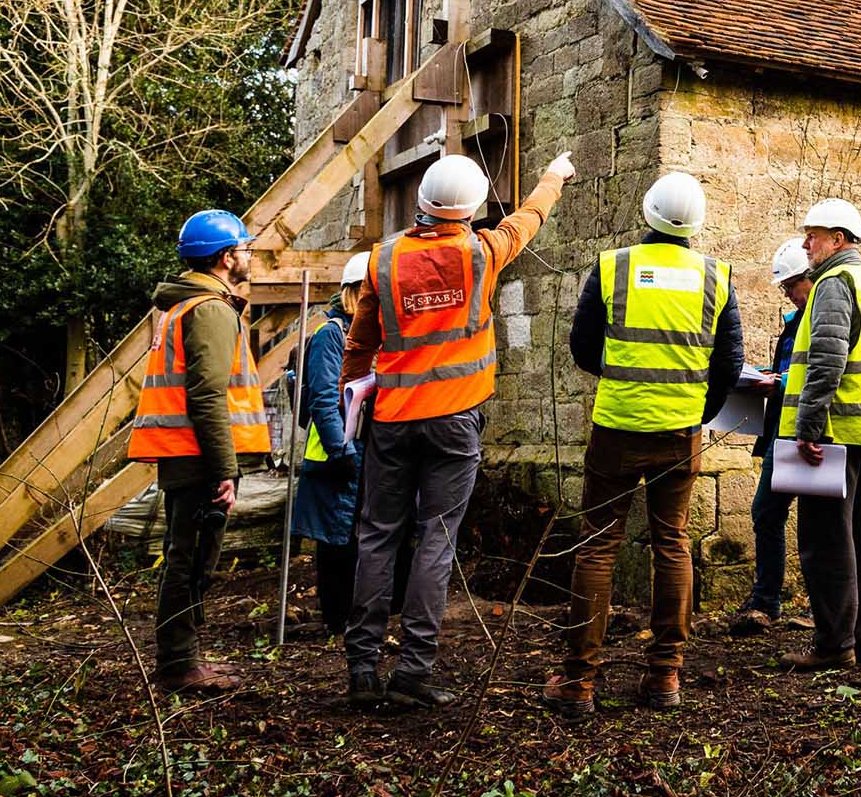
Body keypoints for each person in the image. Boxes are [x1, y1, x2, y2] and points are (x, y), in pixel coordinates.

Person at [341, 149, 575, 710]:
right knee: (436, 542)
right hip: (454, 422)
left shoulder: (383, 259)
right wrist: (553, 177)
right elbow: (529, 218)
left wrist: (353, 393)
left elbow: (360, 342)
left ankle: (362, 669)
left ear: (421, 202)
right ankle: (414, 671)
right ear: (470, 211)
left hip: (392, 419)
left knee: (377, 537)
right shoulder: (482, 252)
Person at [542, 171, 744, 716]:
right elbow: (730, 364)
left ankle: (580, 681)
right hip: (680, 432)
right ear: (696, 224)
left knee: (598, 545)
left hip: (617, 428)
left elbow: (583, 348)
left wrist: (624, 377)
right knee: (672, 542)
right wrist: (697, 412)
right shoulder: (717, 277)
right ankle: (665, 678)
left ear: (648, 211)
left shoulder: (614, 267)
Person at [128, 209, 272, 694]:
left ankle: (181, 657)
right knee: (191, 559)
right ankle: (179, 663)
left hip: (186, 454)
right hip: (198, 457)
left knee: (185, 555)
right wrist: (224, 469)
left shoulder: (185, 306)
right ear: (227, 257)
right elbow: (207, 394)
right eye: (245, 249)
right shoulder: (209, 310)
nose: (250, 256)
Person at [777, 198, 861, 670]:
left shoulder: (835, 282)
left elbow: (827, 359)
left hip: (835, 429)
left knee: (825, 539)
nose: (806, 243)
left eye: (815, 234)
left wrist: (808, 426)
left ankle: (835, 645)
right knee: (860, 532)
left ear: (839, 240)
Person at [293, 250, 410, 638]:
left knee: (374, 533)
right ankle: (336, 618)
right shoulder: (332, 335)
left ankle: (372, 611)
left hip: (373, 448)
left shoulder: (382, 335)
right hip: (338, 450)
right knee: (337, 540)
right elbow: (324, 398)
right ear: (355, 292)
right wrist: (339, 450)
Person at [729, 236, 813, 635]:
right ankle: (767, 600)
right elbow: (791, 368)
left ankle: (820, 603)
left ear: (808, 278)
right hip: (782, 432)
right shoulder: (796, 322)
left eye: (790, 286)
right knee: (766, 513)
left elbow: (818, 373)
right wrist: (765, 375)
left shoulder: (819, 317)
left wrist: (776, 384)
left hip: (808, 433)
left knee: (817, 523)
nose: (789, 295)